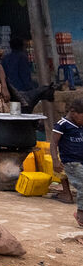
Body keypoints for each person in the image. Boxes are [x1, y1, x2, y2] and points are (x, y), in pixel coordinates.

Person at [1, 36, 56, 116]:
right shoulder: (22, 57)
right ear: (22, 46)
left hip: (9, 90)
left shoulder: (5, 58)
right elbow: (25, 76)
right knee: (23, 112)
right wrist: (31, 89)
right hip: (22, 90)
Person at [50, 96, 83, 227]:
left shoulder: (80, 125)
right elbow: (53, 143)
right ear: (74, 112)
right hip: (71, 162)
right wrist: (55, 160)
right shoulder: (62, 124)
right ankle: (80, 214)